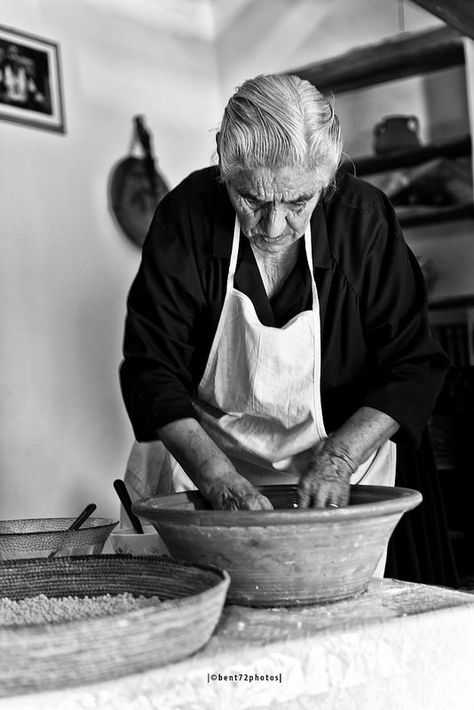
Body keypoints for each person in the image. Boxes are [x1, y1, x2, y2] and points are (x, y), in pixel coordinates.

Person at [119, 73, 449, 528]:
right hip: (201, 467)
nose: (273, 228)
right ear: (223, 164)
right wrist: (217, 477)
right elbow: (151, 369)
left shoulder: (363, 223)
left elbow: (412, 364)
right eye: (250, 198)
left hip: (341, 467)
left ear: (327, 176)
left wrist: (339, 458)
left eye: (298, 202)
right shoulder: (186, 216)